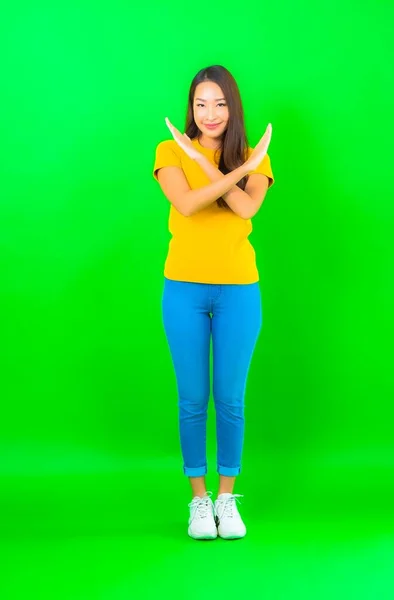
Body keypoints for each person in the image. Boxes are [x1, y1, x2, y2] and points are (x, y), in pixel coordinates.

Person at [152, 65, 274, 540]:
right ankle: (198, 502)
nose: (210, 113)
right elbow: (187, 205)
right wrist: (231, 171)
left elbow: (245, 208)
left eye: (220, 103)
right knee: (191, 399)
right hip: (183, 288)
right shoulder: (169, 151)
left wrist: (235, 166)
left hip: (240, 291)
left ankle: (226, 498)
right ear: (191, 107)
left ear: (232, 106)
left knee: (230, 399)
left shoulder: (253, 156)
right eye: (201, 103)